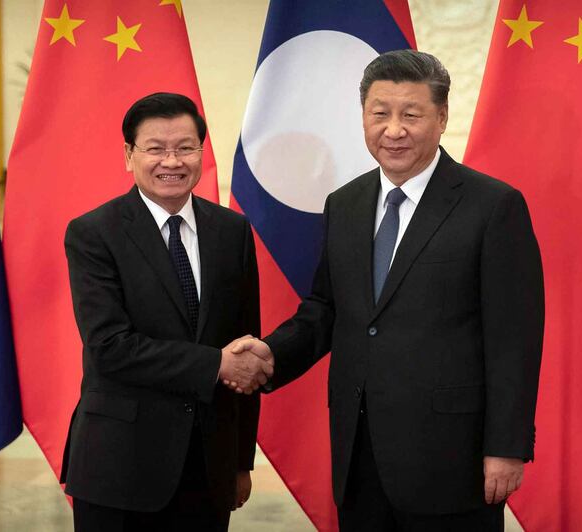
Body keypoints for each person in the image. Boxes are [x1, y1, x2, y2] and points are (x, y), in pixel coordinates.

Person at [229, 50, 545, 531]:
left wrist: (506, 446)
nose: (393, 130)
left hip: (453, 461)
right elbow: (326, 310)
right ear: (363, 117)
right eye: (380, 113)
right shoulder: (345, 204)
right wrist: (271, 354)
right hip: (360, 455)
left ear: (441, 118)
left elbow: (513, 339)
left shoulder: (492, 206)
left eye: (411, 114)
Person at [60, 92, 272, 531]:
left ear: (201, 151)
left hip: (208, 465)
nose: (171, 161)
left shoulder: (232, 231)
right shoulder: (94, 233)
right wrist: (216, 363)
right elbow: (109, 347)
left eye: (185, 147)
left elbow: (244, 346)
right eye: (155, 148)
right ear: (129, 155)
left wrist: (238, 460)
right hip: (120, 464)